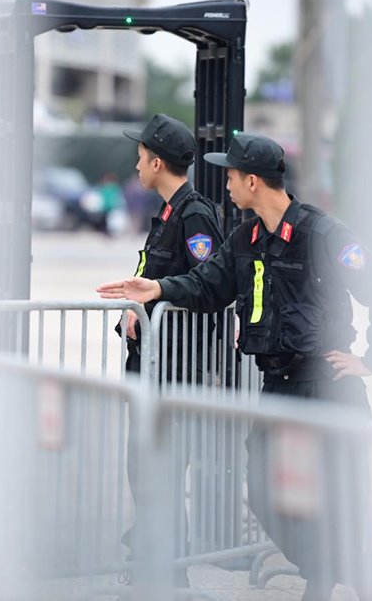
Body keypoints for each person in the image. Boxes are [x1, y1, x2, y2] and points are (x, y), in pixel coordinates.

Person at [98, 132, 372, 601]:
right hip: (276, 385)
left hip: (326, 384)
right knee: (264, 491)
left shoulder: (322, 234)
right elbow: (207, 284)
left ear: (254, 181)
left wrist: (371, 357)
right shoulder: (245, 237)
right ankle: (355, 571)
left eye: (232, 176)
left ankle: (322, 582)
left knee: (332, 496)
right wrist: (158, 288)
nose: (227, 185)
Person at [115, 114, 224, 587]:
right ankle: (155, 569)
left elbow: (209, 284)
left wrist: (157, 295)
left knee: (161, 474)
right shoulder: (166, 214)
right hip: (151, 365)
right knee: (144, 471)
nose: (137, 166)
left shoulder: (194, 215)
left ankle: (169, 579)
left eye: (141, 157)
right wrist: (136, 308)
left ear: (157, 162)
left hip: (175, 369)